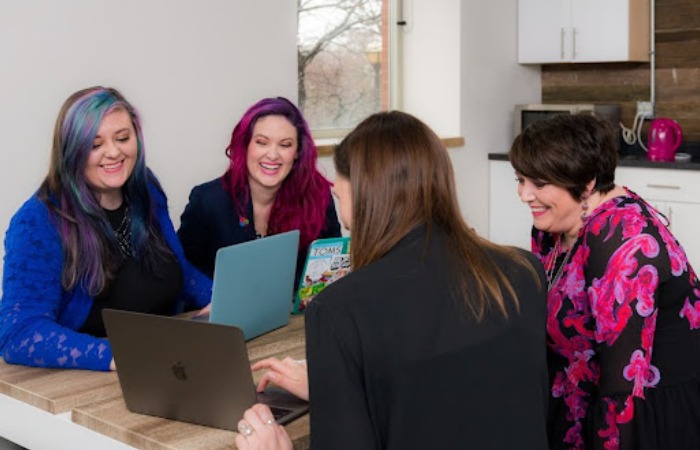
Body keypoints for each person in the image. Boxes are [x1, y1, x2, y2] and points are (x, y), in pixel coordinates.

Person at [234, 111, 550, 450]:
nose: (344, 218)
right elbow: (458, 392)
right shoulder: (523, 270)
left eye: (341, 199)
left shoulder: (338, 310)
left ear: (366, 195)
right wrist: (339, 387)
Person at [509, 113, 700, 450]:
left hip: (646, 417)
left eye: (539, 183)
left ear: (586, 184)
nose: (524, 195)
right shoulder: (554, 228)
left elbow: (621, 390)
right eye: (520, 180)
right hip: (579, 400)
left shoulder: (624, 242)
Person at [0, 87, 212, 371]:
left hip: (166, 363)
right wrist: (119, 355)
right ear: (71, 151)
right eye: (95, 144)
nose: (113, 152)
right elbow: (19, 333)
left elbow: (177, 270)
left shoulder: (146, 189)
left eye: (122, 138)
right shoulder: (37, 221)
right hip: (93, 381)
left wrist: (219, 301)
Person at [177, 97, 341, 289]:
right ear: (245, 145)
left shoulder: (317, 196)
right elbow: (183, 271)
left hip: (296, 315)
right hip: (222, 315)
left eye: (285, 145)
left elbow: (332, 267)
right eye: (262, 142)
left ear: (297, 152)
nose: (272, 155)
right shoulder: (207, 201)